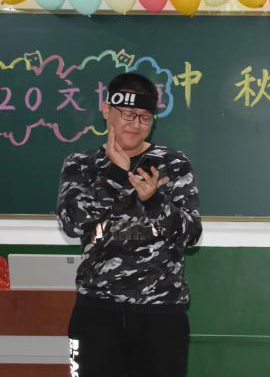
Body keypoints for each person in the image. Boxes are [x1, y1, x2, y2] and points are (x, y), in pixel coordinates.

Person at [56, 72, 202, 377]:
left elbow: (191, 235)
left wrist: (154, 200)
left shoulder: (173, 163)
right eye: (126, 114)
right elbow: (72, 223)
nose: (134, 124)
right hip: (96, 311)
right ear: (106, 110)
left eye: (144, 117)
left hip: (161, 314)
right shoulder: (81, 164)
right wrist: (115, 173)